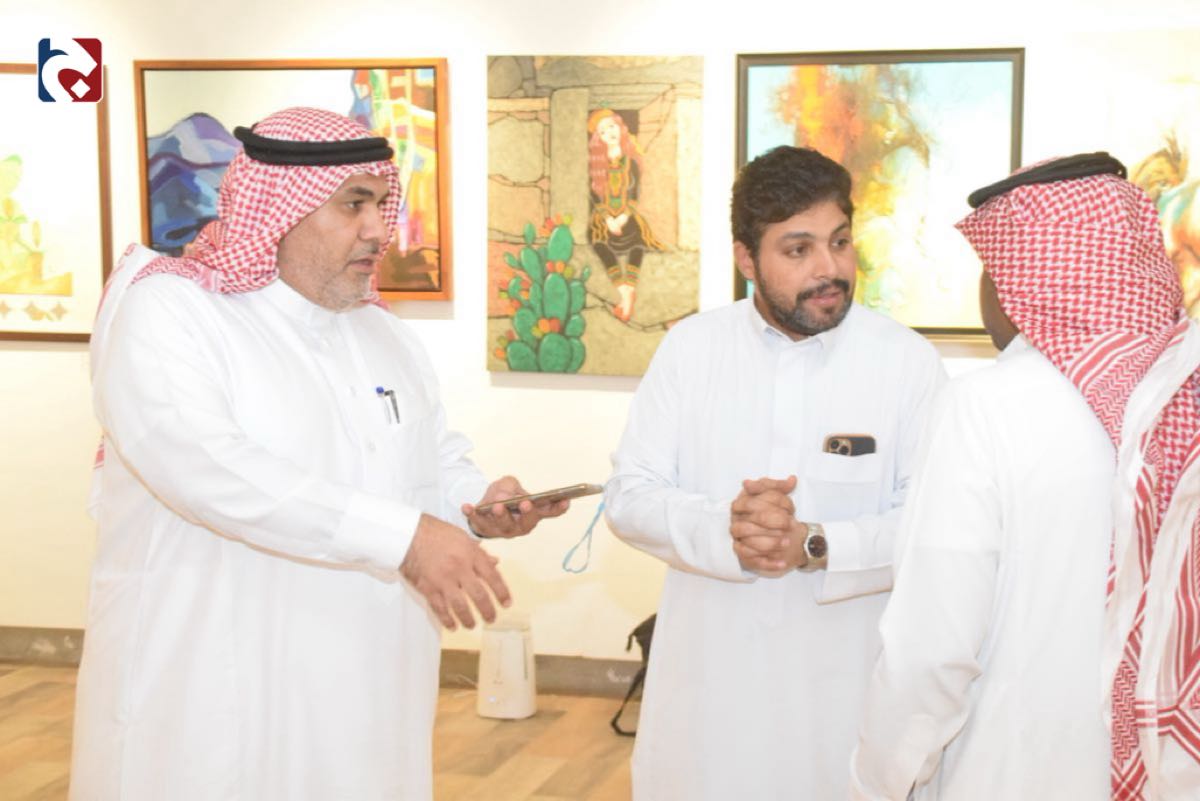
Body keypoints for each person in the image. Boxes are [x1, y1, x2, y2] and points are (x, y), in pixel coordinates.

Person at [70, 107, 564, 801]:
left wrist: (475, 504)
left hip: (364, 682)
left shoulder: (382, 334)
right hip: (215, 680)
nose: (378, 228)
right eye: (353, 204)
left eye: (381, 203)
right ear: (280, 208)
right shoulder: (173, 314)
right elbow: (207, 470)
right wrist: (408, 538)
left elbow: (426, 456)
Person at [849, 153, 1200, 800]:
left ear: (1025, 279)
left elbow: (931, 653)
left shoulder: (985, 408)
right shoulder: (1184, 392)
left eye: (991, 267)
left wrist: (875, 784)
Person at [604, 145, 946, 800]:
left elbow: (932, 524)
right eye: (798, 250)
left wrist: (815, 544)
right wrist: (725, 530)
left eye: (839, 241)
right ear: (746, 259)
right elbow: (629, 495)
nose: (829, 268)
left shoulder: (907, 363)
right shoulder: (691, 350)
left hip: (844, 696)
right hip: (709, 697)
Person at [587, 108, 664, 323]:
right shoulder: (597, 164)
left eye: (611, 126)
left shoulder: (631, 161)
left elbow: (634, 193)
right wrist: (607, 218)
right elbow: (595, 196)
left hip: (626, 214)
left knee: (638, 242)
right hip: (605, 217)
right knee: (598, 242)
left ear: (620, 127)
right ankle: (624, 292)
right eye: (603, 131)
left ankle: (630, 287)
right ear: (599, 138)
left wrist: (623, 216)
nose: (609, 133)